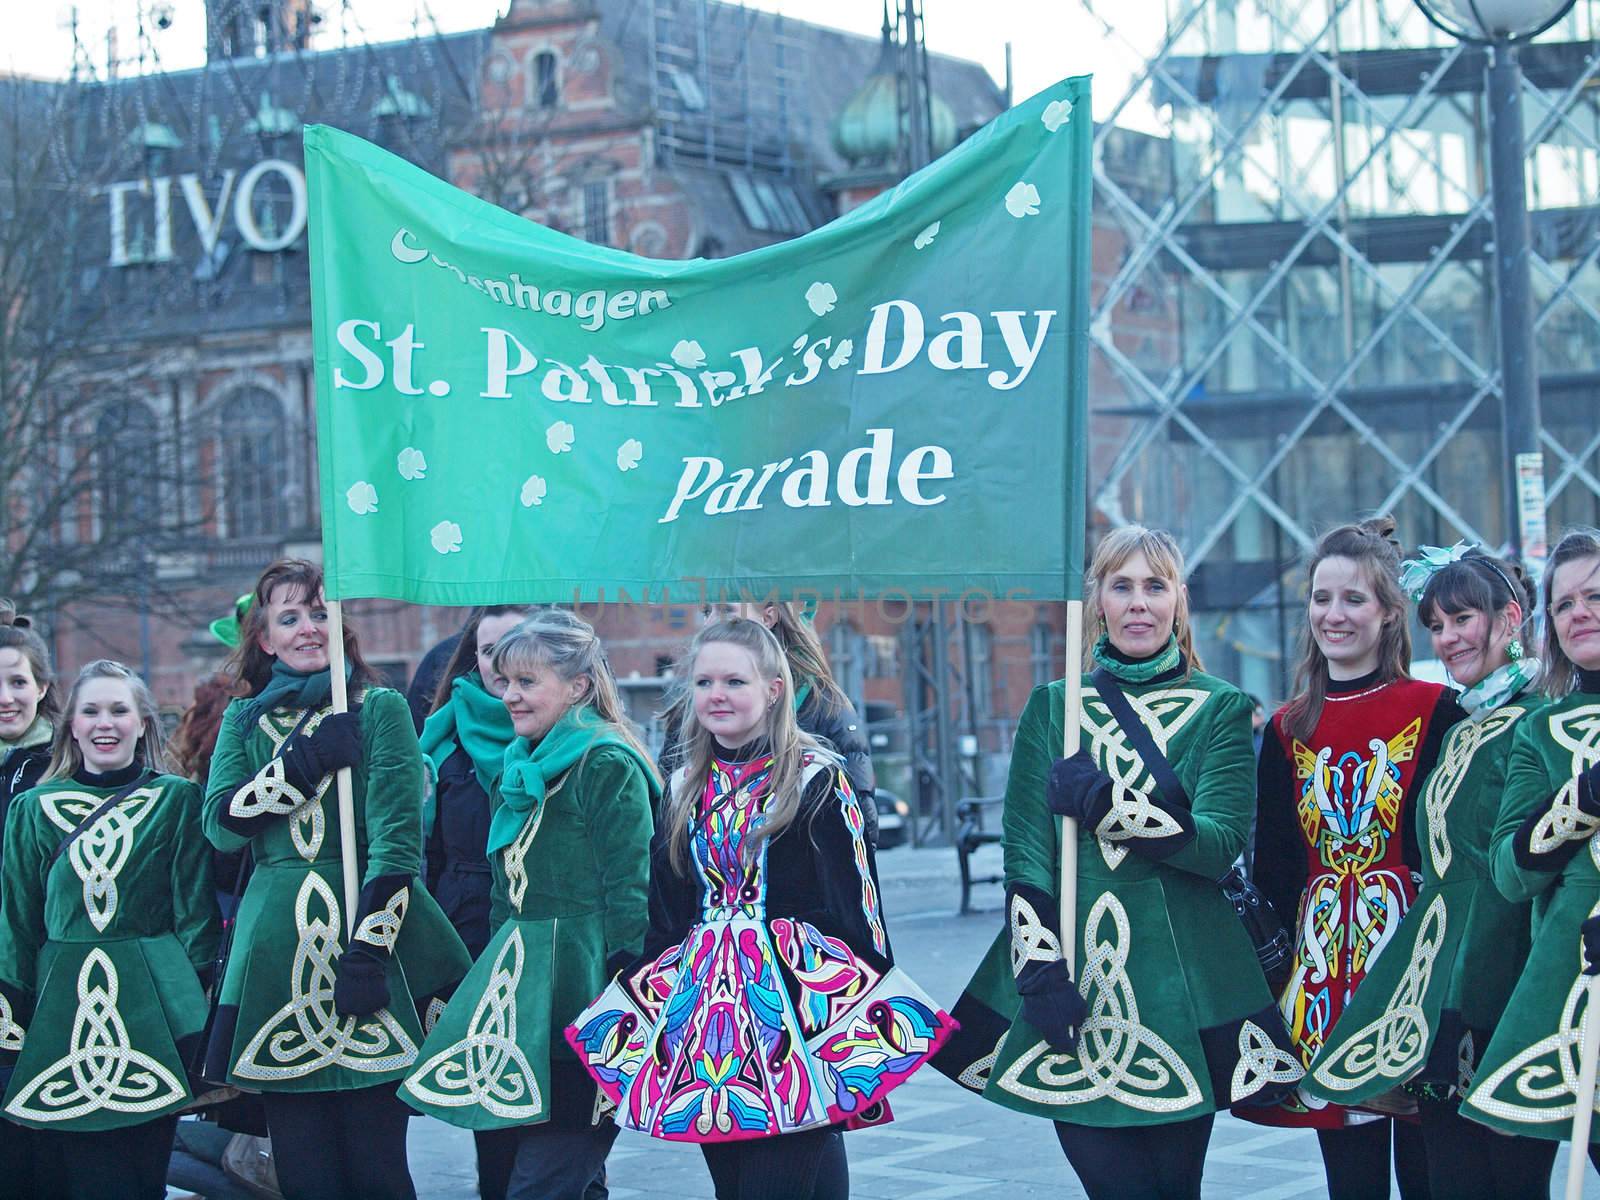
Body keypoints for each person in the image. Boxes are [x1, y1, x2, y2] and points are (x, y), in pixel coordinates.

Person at [935, 525, 1300, 1200]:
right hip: (1074, 981)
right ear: (1096, 600)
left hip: (1182, 989)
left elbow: (1219, 843)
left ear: (1179, 602)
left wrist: (1108, 803)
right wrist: (1041, 976)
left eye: (1154, 587)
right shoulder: (1053, 707)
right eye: (1121, 585)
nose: (1138, 603)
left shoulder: (1222, 708)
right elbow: (1028, 851)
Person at [567, 617, 955, 1200]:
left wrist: (862, 1028)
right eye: (702, 683)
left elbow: (858, 909)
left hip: (794, 1014)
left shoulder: (818, 778)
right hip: (703, 1023)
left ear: (773, 690)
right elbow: (666, 910)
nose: (716, 695)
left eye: (734, 682)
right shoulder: (681, 786)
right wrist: (645, 1008)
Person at [201, 558, 470, 1200]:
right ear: (264, 637)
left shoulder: (380, 710)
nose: (307, 628)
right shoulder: (241, 722)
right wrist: (301, 765)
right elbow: (219, 827)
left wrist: (369, 951)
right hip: (275, 956)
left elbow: (399, 843)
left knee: (376, 1163)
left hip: (368, 939)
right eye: (289, 617)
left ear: (342, 625)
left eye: (321, 613)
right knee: (303, 1166)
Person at [1301, 544, 1553, 1197]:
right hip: (1440, 994)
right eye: (1436, 625)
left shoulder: (1539, 721)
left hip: (1508, 991)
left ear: (1510, 619)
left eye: (1462, 619)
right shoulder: (1465, 723)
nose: (1446, 638)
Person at [402, 609, 658, 1200]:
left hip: (587, 980)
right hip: (516, 984)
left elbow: (632, 887)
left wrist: (626, 993)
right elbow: (504, 890)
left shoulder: (606, 761)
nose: (509, 695)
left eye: (527, 682)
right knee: (525, 1174)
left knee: (547, 1176)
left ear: (578, 687)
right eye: (506, 680)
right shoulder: (520, 764)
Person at [1245, 516, 1463, 1198]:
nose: (1332, 614)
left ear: (1390, 613)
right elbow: (1275, 867)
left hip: (1413, 971)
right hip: (1324, 980)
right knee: (1353, 1183)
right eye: (1321, 598)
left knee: (1429, 1173)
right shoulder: (1288, 725)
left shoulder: (1439, 710)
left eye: (1353, 599)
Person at [0, 660, 218, 1200]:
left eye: (120, 710)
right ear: (70, 724)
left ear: (143, 722)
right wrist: (11, 1025)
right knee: (64, 1175)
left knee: (138, 1179)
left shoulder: (177, 800)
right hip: (60, 1016)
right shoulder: (32, 808)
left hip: (153, 1015)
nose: (106, 722)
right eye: (92, 710)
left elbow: (195, 917)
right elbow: (16, 922)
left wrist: (197, 1022)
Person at [1461, 528, 1600, 1160]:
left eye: (1594, 596)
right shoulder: (1540, 730)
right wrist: (1583, 800)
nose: (1580, 614)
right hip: (1578, 986)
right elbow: (1511, 872)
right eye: (1565, 603)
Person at [664, 599, 878, 844]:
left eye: (726, 611)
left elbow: (858, 835)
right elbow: (667, 833)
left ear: (768, 617)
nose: (710, 622)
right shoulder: (692, 711)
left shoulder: (823, 706)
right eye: (705, 612)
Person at [0, 603, 58, 1200]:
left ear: (42, 687)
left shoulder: (63, 768)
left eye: (18, 681)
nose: (6, 697)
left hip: (44, 977)